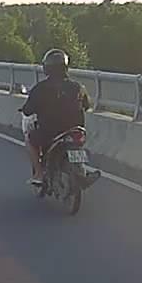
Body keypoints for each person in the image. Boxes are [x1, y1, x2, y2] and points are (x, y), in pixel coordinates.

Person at [20, 49, 92, 186]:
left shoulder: (41, 88)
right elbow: (87, 105)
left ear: (47, 68)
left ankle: (39, 174)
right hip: (75, 130)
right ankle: (82, 172)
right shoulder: (77, 87)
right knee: (79, 144)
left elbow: (28, 110)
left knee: (29, 140)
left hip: (49, 132)